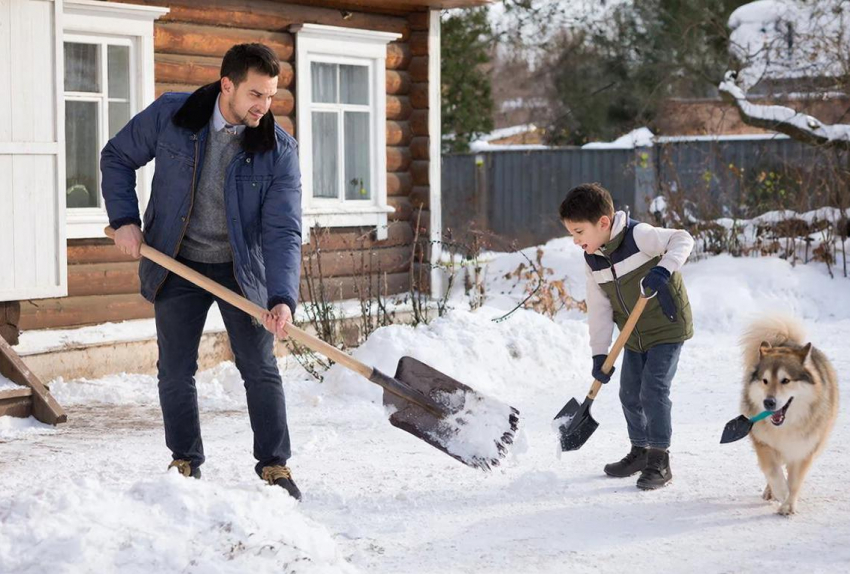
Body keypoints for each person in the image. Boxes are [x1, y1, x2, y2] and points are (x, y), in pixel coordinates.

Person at [101, 43, 302, 500]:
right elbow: (116, 157)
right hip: (177, 259)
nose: (263, 107)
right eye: (255, 94)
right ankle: (185, 461)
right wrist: (125, 221)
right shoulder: (174, 115)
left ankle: (274, 465)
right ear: (226, 84)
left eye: (270, 97)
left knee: (260, 367)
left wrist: (281, 296)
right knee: (175, 369)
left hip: (240, 269)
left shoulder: (277, 148)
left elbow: (283, 231)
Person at [560, 183, 694, 490]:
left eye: (579, 232)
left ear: (603, 223)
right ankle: (640, 451)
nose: (576, 240)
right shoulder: (592, 259)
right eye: (572, 234)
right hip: (633, 334)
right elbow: (598, 307)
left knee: (653, 390)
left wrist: (664, 269)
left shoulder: (639, 236)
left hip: (666, 325)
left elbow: (682, 239)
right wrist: (599, 353)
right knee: (629, 394)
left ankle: (660, 459)